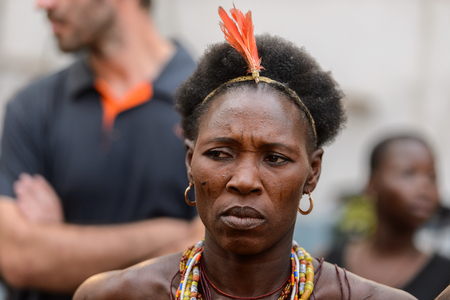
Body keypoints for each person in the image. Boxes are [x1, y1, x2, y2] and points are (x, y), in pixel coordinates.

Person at [72, 6, 417, 300]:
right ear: (190, 161)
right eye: (221, 154)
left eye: (275, 158)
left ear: (312, 173)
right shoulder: (116, 294)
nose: (244, 180)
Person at [0, 0, 204, 299]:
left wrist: (60, 246)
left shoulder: (213, 107)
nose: (42, 5)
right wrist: (173, 237)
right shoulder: (32, 107)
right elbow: (18, 255)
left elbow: (224, 257)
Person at [326, 135, 450, 300]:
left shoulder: (445, 276)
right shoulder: (327, 264)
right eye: (408, 173)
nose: (424, 187)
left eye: (431, 177)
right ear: (372, 184)